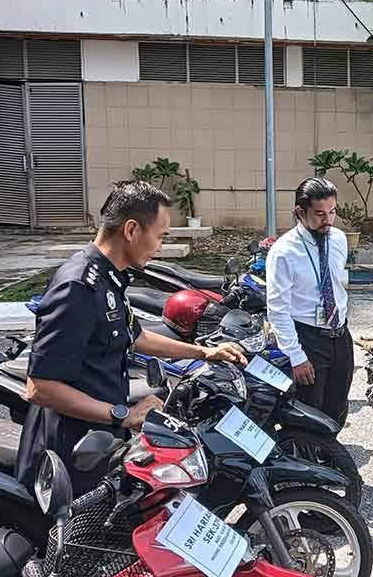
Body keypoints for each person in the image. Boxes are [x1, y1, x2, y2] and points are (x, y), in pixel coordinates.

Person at [15, 181, 246, 495]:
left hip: (99, 440)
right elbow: (40, 388)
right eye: (160, 236)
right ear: (132, 230)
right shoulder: (77, 287)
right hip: (70, 454)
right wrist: (124, 415)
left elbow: (135, 336)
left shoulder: (110, 277)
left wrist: (204, 353)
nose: (161, 247)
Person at [266, 178, 354, 427]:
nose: (327, 220)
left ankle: (331, 460)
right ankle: (308, 460)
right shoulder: (284, 252)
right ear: (299, 212)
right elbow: (278, 309)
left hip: (339, 335)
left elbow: (337, 285)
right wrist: (296, 356)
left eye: (332, 212)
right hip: (308, 338)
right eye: (319, 214)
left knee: (337, 407)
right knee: (309, 412)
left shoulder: (338, 239)